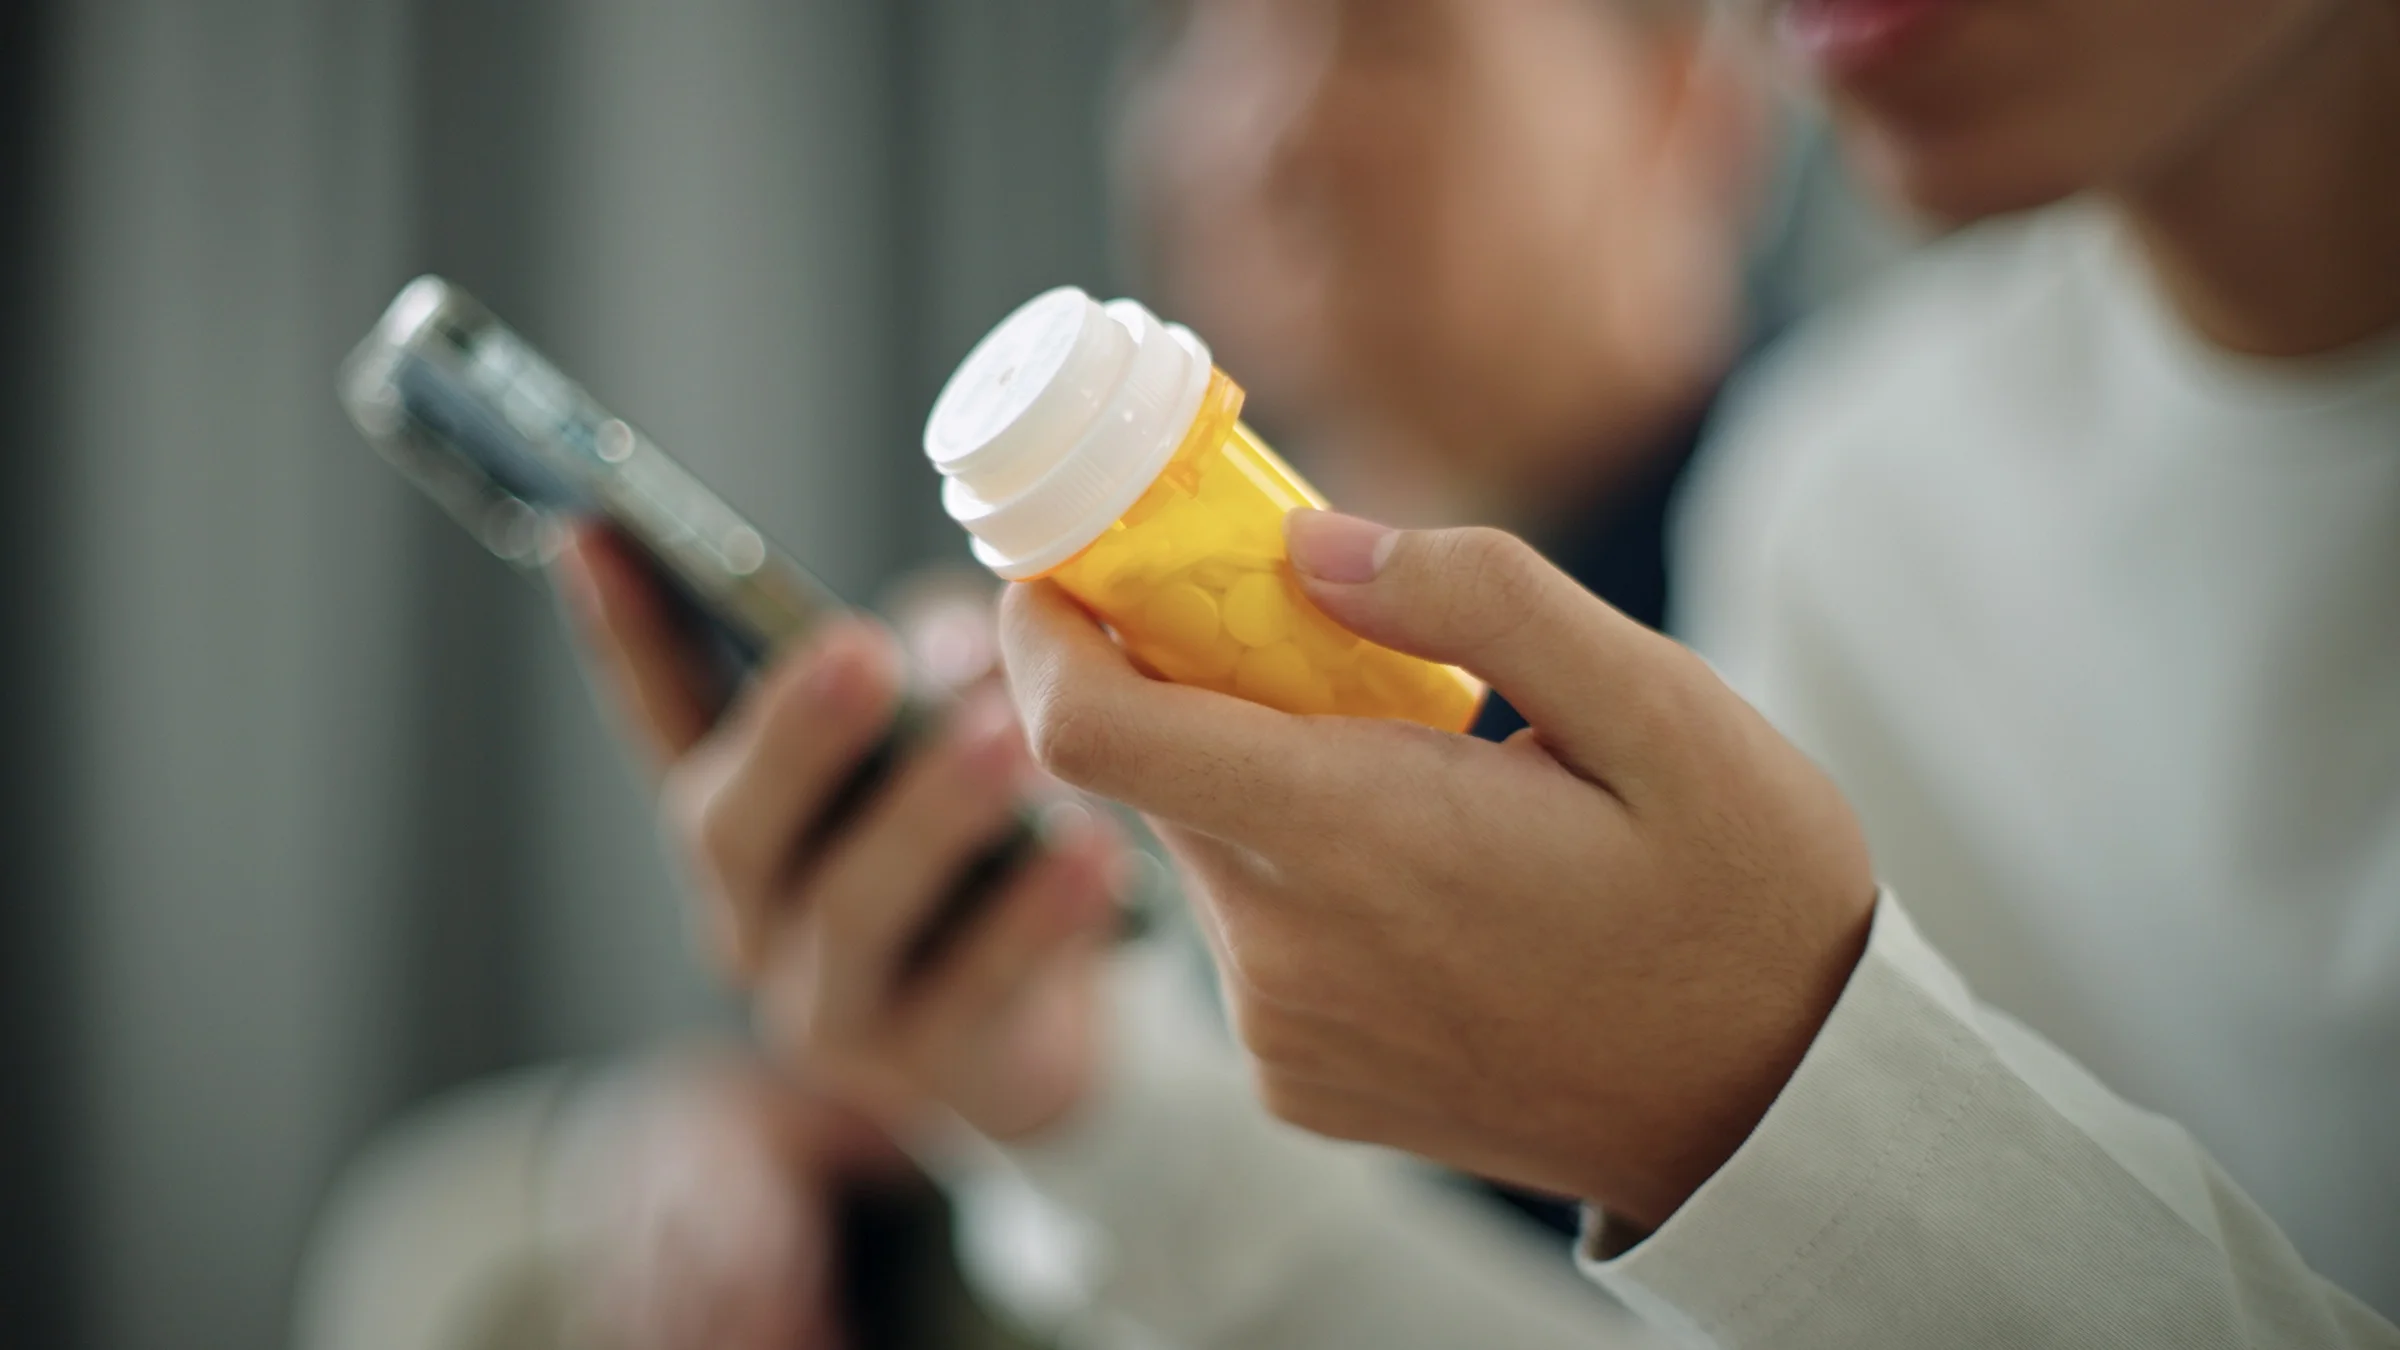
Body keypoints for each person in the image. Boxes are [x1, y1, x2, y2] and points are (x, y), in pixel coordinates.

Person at [994, 0, 2400, 1344]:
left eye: (1391, 27)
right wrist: (1076, 1104)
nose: (1263, 134)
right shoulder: (1838, 502)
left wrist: (1765, 1107)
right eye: (1195, 34)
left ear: (1683, 107)